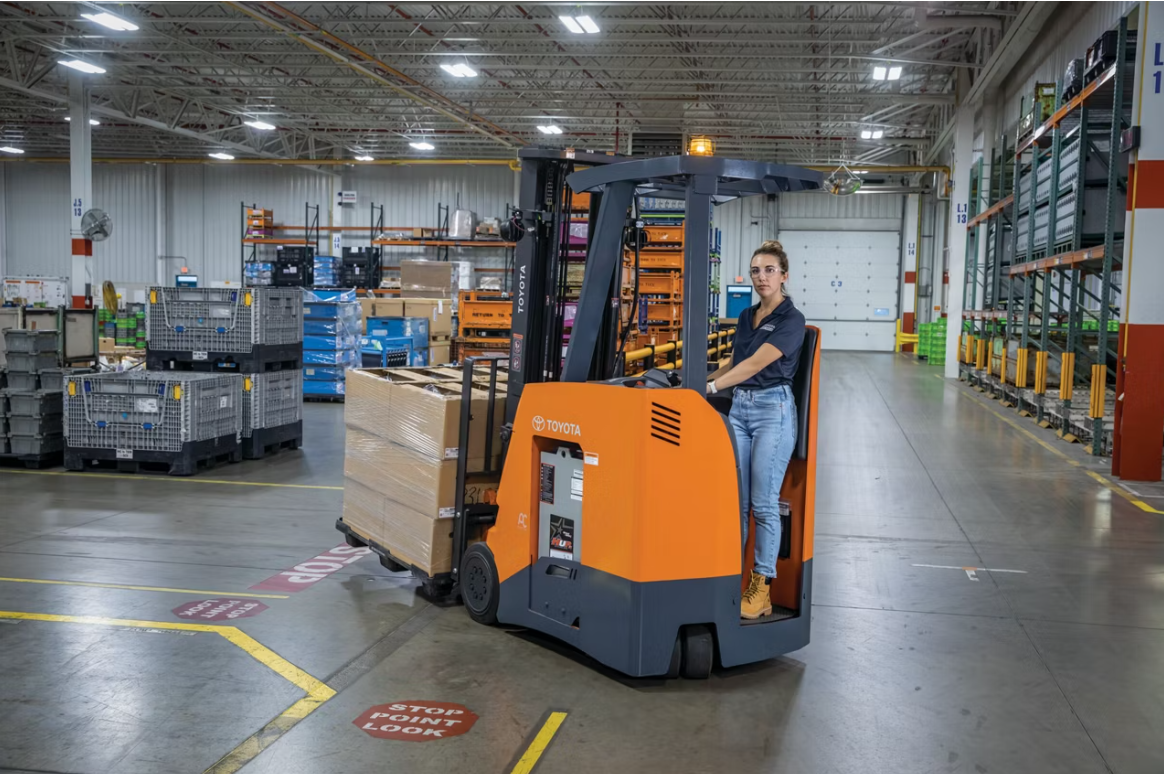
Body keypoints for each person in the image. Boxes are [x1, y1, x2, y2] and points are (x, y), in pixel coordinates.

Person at [706, 240, 805, 619]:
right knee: (737, 505)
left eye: (768, 270)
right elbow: (735, 360)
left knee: (763, 505)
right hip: (741, 412)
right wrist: (694, 381)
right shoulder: (747, 316)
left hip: (772, 412)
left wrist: (714, 388)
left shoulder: (790, 320)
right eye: (755, 271)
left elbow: (757, 364)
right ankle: (730, 579)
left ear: (784, 276)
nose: (761, 277)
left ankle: (761, 588)